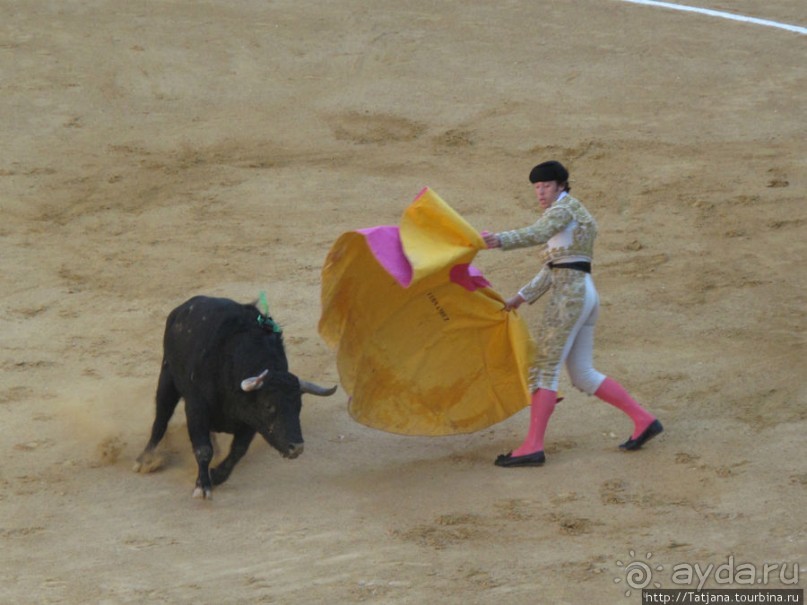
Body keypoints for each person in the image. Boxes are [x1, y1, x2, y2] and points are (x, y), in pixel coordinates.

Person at [482, 160, 663, 467]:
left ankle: (532, 446)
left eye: (546, 186)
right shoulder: (571, 213)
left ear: (561, 186)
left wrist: (500, 239)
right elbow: (556, 266)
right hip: (584, 290)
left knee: (544, 369)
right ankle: (644, 419)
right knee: (581, 373)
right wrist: (521, 297)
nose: (540, 192)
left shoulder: (561, 211)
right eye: (537, 187)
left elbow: (538, 234)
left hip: (570, 296)